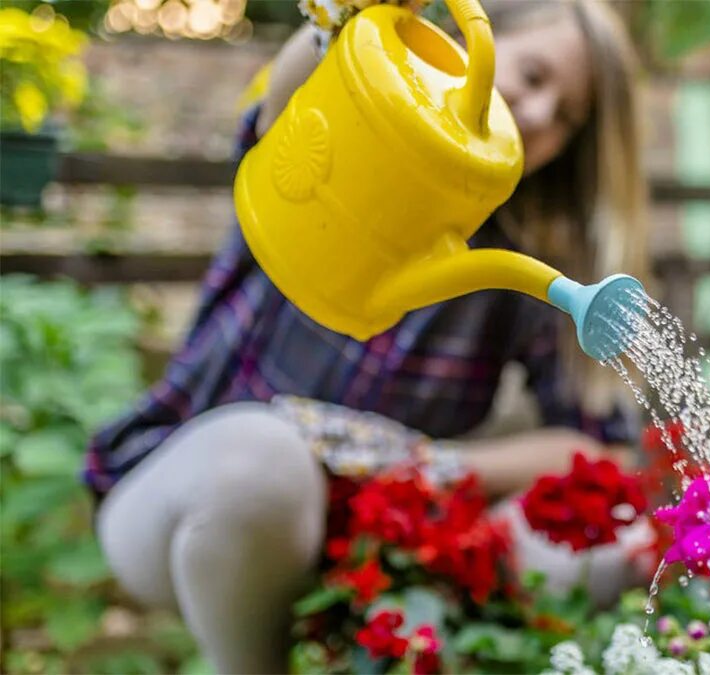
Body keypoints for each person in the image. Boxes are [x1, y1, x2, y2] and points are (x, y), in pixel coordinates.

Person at [85, 1, 648, 671]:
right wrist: (342, 20)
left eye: (566, 118)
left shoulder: (523, 262)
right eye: (530, 75)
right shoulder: (354, 143)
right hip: (183, 505)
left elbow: (595, 448)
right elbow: (285, 108)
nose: (536, 112)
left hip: (364, 550)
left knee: (612, 543)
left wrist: (429, 463)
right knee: (263, 459)